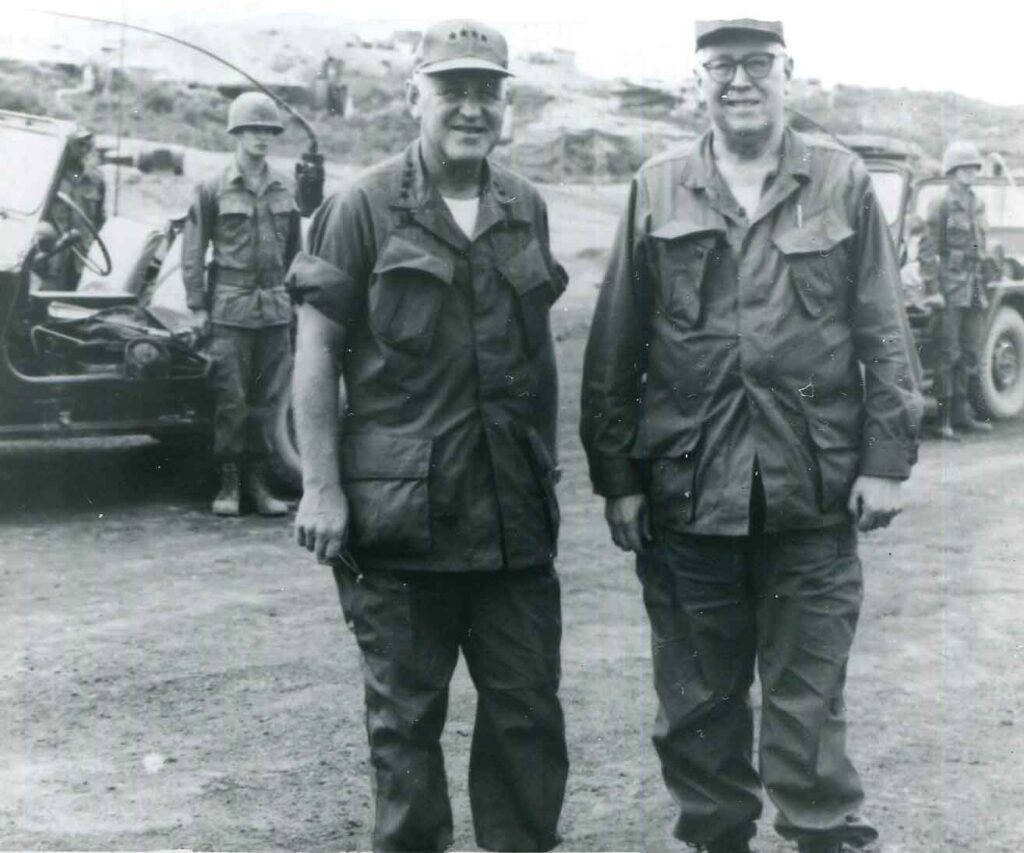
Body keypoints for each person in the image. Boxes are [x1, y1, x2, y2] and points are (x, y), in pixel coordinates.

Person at [580, 19, 922, 853]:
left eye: (757, 64)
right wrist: (618, 476)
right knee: (698, 694)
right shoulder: (657, 186)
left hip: (811, 486)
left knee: (809, 686)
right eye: (721, 65)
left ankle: (819, 830)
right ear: (696, 79)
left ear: (788, 75)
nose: (740, 80)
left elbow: (883, 327)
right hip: (690, 489)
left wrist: (885, 460)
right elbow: (616, 344)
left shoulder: (840, 181)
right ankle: (715, 838)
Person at [287, 20, 569, 853]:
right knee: (405, 725)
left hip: (512, 514)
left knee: (527, 711)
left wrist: (544, 467)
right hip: (401, 519)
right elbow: (315, 351)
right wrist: (321, 484)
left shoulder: (526, 207)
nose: (472, 109)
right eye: (453, 91)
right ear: (415, 97)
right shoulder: (361, 206)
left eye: (489, 92)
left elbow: (539, 353)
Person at [181, 92, 301, 516]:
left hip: (274, 307)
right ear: (237, 133)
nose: (261, 138)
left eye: (268, 131)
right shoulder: (213, 187)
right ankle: (229, 484)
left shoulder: (286, 186)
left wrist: (296, 300)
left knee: (269, 402)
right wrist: (197, 305)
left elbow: (295, 252)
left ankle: (259, 483)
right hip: (230, 307)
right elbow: (193, 251)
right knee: (232, 400)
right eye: (253, 130)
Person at [919, 140, 993, 439]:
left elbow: (982, 245)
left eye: (973, 167)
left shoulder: (977, 204)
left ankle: (963, 415)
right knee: (947, 352)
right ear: (952, 170)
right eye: (964, 168)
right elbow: (927, 250)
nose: (970, 173)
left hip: (975, 286)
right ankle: (943, 419)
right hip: (950, 285)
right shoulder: (942, 203)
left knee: (970, 351)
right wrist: (933, 288)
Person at [44, 127, 106, 289]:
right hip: (53, 257)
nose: (83, 149)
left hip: (83, 259)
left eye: (86, 145)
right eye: (78, 144)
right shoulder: (49, 176)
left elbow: (100, 220)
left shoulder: (95, 179)